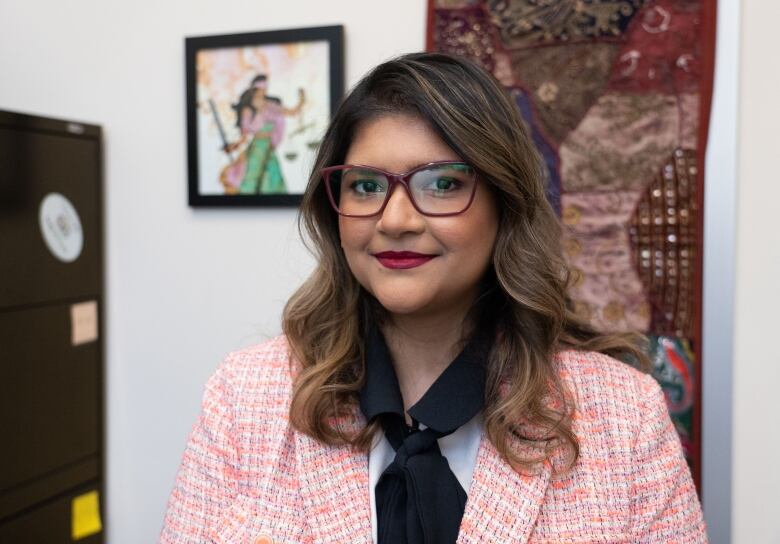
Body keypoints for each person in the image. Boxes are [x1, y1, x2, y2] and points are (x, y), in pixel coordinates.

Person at [161, 53, 706, 543]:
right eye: (366, 186)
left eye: (443, 184)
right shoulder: (245, 398)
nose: (395, 220)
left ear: (504, 203)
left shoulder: (624, 417)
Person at [220, 74, 305, 195]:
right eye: (259, 90)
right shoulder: (248, 109)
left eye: (264, 90)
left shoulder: (270, 106)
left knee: (273, 176)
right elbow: (244, 136)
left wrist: (302, 100)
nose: (262, 93)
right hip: (257, 148)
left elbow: (291, 112)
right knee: (252, 175)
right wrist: (234, 146)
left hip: (269, 148)